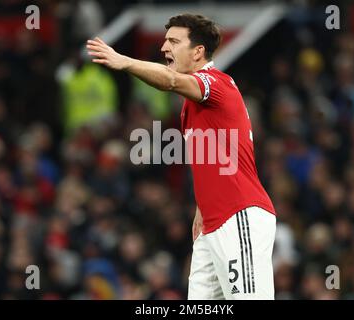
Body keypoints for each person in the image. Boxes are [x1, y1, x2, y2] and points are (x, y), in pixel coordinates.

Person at [87, 13, 276, 300]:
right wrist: (202, 208)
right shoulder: (192, 106)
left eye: (174, 41)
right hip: (212, 224)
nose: (164, 48)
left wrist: (125, 61)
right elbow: (213, 158)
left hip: (239, 214)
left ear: (198, 51)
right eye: (165, 41)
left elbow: (172, 81)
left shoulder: (217, 83)